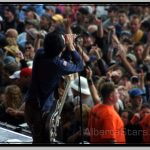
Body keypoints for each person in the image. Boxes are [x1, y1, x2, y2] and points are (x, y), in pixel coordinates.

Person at [24, 32, 84, 144]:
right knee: (41, 142)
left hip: (29, 106)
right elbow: (79, 66)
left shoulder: (39, 53)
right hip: (40, 111)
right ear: (60, 48)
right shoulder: (57, 64)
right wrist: (71, 47)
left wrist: (65, 47)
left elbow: (62, 60)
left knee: (37, 140)